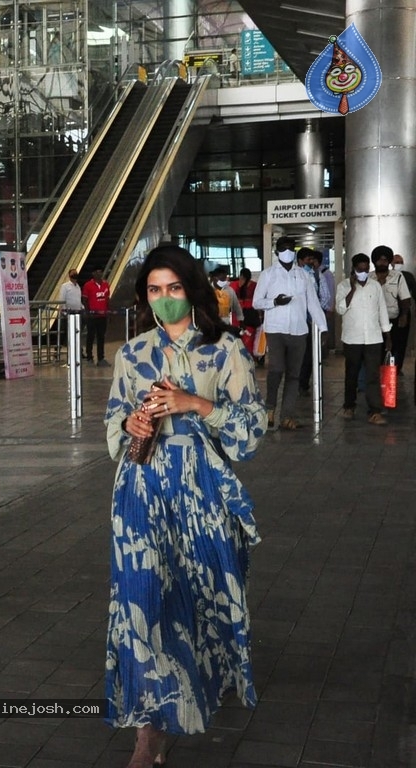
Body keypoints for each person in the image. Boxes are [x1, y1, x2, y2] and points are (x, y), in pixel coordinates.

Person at [104, 244, 267, 767]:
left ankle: (198, 687)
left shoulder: (225, 351)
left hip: (200, 492)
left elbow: (251, 432)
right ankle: (147, 734)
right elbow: (112, 426)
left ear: (192, 291)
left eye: (174, 288)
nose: (165, 299)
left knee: (199, 597)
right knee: (141, 600)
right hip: (141, 489)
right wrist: (128, 423)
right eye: (155, 290)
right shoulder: (131, 354)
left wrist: (196, 404)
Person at [253, 236, 327, 430]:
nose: (287, 251)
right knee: (276, 369)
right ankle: (270, 409)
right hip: (275, 330)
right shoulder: (268, 274)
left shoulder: (303, 275)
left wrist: (323, 328)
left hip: (299, 330)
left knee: (294, 375)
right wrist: (275, 302)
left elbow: (313, 303)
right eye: (283, 248)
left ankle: (287, 416)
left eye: (290, 248)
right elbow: (256, 302)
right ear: (277, 252)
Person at [335, 253, 391, 425]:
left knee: (373, 375)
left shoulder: (375, 286)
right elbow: (340, 309)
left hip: (373, 338)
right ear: (353, 269)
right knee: (351, 374)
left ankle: (375, 411)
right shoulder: (343, 286)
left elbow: (382, 311)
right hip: (352, 338)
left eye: (366, 269)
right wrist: (353, 289)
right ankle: (349, 406)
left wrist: (387, 336)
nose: (363, 272)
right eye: (360, 270)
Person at [370, 245, 411, 373]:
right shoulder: (368, 278)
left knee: (394, 348)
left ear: (389, 261)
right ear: (374, 261)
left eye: (385, 260)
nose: (382, 262)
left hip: (393, 319)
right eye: (379, 260)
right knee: (376, 349)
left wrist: (404, 315)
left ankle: (391, 375)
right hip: (374, 322)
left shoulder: (397, 276)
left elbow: (405, 298)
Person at [297, 248, 331, 395]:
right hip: (296, 322)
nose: (311, 262)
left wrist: (315, 311)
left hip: (311, 323)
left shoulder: (318, 275)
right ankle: (297, 383)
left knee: (309, 355)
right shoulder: (294, 276)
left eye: (312, 259)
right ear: (299, 261)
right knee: (297, 354)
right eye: (307, 259)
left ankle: (303, 384)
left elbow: (325, 296)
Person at [81, 267, 111, 366]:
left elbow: (107, 299)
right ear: (93, 273)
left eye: (101, 272)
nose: (100, 274)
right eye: (97, 272)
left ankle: (101, 358)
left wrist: (108, 312)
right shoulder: (88, 285)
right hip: (92, 316)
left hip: (102, 316)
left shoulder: (106, 284)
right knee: (90, 336)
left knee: (101, 337)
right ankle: (89, 357)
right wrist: (88, 312)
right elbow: (84, 300)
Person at [230, 268, 261, 355]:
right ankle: (251, 356)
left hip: (237, 314)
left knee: (238, 335)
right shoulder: (255, 285)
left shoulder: (234, 285)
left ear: (241, 275)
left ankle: (239, 355)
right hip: (251, 314)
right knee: (250, 336)